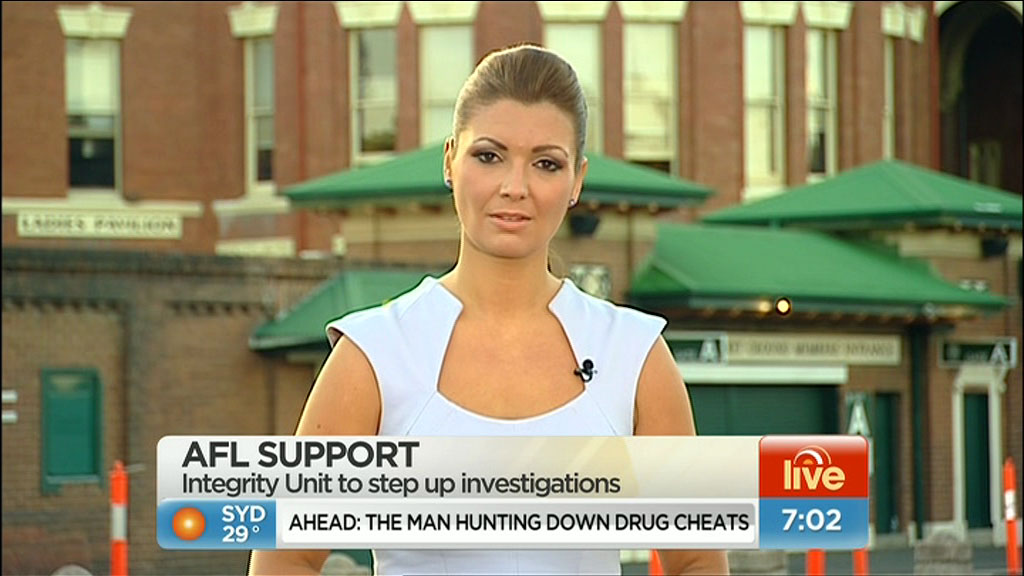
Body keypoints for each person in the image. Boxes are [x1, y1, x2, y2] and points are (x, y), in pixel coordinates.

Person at [249, 44, 729, 575]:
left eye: (546, 164)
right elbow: (285, 559)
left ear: (577, 181)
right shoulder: (375, 355)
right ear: (449, 160)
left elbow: (697, 560)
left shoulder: (634, 355)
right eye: (488, 156)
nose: (514, 188)